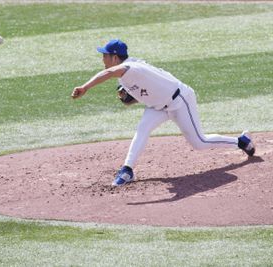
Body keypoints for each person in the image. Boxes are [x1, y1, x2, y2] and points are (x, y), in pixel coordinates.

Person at [71, 39, 255, 187]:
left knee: (200, 142)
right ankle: (127, 170)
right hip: (157, 106)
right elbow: (142, 93)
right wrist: (131, 99)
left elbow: (111, 72)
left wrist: (85, 87)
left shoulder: (131, 68)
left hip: (179, 101)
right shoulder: (126, 74)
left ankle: (241, 141)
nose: (102, 59)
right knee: (142, 129)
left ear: (114, 57)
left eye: (104, 55)